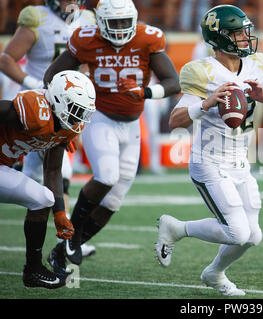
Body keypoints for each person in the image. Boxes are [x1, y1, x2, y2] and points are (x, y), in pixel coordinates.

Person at [155, 5, 263, 296]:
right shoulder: (202, 71)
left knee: (253, 236)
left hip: (239, 162)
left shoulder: (257, 63)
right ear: (218, 38)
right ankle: (176, 229)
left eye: (245, 31)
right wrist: (206, 103)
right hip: (209, 161)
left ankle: (214, 273)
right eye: (237, 33)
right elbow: (174, 120)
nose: (245, 38)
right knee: (237, 232)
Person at [43, 0, 180, 273]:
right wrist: (65, 115)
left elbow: (173, 82)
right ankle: (72, 234)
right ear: (100, 21)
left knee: (114, 200)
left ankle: (63, 250)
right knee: (106, 176)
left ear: (134, 19)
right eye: (113, 23)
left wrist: (145, 92)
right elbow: (52, 76)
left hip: (131, 124)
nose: (119, 29)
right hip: (100, 118)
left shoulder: (147, 38)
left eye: (123, 22)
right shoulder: (85, 38)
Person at [0, 0, 97, 258]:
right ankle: (62, 242)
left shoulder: (88, 20)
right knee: (41, 178)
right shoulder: (37, 16)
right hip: (39, 103)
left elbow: (86, 64)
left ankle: (58, 236)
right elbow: (7, 58)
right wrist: (33, 82)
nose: (73, 2)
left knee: (45, 178)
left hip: (69, 106)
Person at [0, 70, 96, 288]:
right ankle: (33, 270)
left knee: (44, 199)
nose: (79, 118)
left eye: (83, 113)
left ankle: (33, 271)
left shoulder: (65, 125)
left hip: (3, 166)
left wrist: (60, 213)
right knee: (41, 198)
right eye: (75, 110)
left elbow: (52, 169)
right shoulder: (35, 109)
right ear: (58, 100)